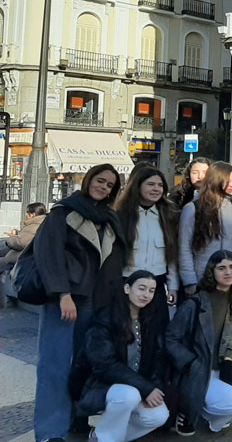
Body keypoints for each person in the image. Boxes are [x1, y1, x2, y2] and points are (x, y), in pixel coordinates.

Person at [31, 164, 127, 442]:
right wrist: (63, 294)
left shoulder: (109, 218)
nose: (103, 187)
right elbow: (49, 254)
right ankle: (50, 432)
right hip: (64, 299)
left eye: (109, 185)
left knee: (84, 363)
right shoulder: (63, 212)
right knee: (55, 364)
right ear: (88, 180)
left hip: (94, 300)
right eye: (100, 180)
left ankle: (77, 418)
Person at [166, 250, 232, 435]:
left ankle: (215, 420)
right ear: (212, 271)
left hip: (219, 367)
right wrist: (191, 362)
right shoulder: (194, 304)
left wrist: (228, 360)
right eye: (221, 268)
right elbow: (171, 338)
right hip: (197, 370)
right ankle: (193, 409)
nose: (228, 272)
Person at [70, 271, 170, 442]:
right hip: (101, 386)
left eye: (151, 291)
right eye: (141, 288)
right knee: (129, 395)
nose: (146, 295)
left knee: (159, 416)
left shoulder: (151, 320)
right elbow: (104, 365)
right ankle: (107, 438)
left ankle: (101, 437)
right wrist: (145, 388)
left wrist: (153, 387)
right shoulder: (106, 318)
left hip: (137, 386)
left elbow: (158, 360)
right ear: (127, 289)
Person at [114, 167, 180, 315]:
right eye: (151, 184)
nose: (156, 189)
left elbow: (172, 255)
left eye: (160, 185)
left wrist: (173, 286)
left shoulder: (169, 215)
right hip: (127, 282)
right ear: (137, 186)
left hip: (156, 284)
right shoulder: (121, 215)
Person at [179, 162, 232, 293]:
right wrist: (189, 281)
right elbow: (184, 247)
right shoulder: (193, 208)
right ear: (216, 179)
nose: (231, 185)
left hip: (231, 279)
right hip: (202, 278)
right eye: (228, 181)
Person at [0, 202, 46, 273]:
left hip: (22, 259)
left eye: (27, 212)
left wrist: (10, 239)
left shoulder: (35, 226)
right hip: (24, 256)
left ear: (33, 214)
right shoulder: (40, 223)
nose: (26, 215)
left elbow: (20, 243)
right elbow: (27, 236)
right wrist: (17, 233)